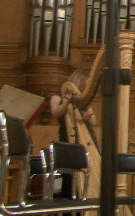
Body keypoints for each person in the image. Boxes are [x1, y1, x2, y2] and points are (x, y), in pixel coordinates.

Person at [49, 69, 97, 198]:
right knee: (70, 176)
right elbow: (56, 112)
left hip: (85, 141)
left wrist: (89, 118)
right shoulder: (57, 98)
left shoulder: (84, 103)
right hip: (67, 142)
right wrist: (67, 102)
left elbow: (93, 121)